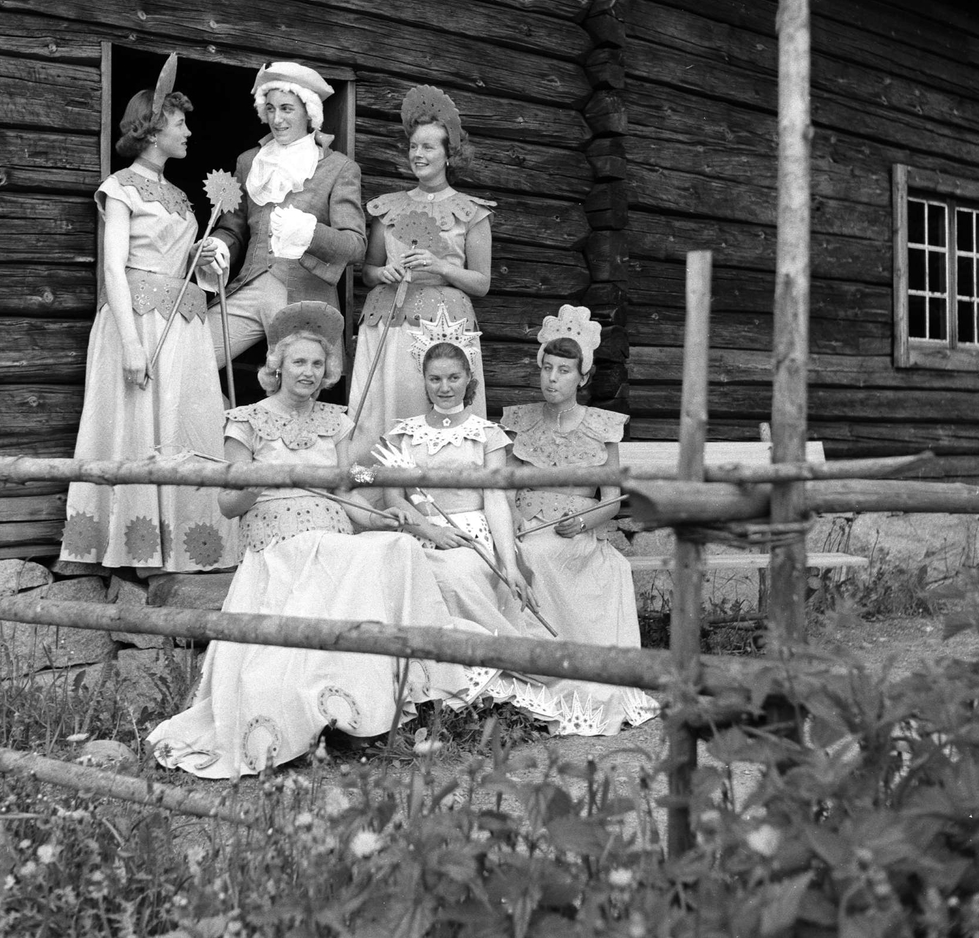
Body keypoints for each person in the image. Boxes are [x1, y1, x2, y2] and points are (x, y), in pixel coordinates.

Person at [147, 302, 473, 779]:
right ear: (277, 367)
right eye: (298, 362)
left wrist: (395, 520)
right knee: (350, 555)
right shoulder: (246, 421)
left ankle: (396, 700)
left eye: (317, 364)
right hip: (279, 546)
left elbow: (345, 494)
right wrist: (250, 485)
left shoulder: (335, 422)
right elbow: (227, 506)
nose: (309, 372)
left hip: (332, 538)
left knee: (398, 549)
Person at [377, 324, 630, 735]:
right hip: (421, 534)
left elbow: (497, 498)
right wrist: (430, 530)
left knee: (459, 573)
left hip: (472, 534)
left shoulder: (486, 434)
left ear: (469, 380)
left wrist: (508, 558)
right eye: (436, 379)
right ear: (423, 381)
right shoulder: (402, 433)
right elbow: (394, 497)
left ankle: (495, 669)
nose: (445, 387)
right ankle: (417, 687)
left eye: (454, 378)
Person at [60, 56, 239, 574]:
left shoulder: (183, 198)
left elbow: (181, 266)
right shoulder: (120, 187)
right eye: (181, 123)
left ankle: (190, 545)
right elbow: (114, 268)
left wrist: (204, 261)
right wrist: (132, 344)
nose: (189, 132)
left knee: (186, 423)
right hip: (137, 321)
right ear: (154, 128)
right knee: (139, 427)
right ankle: (136, 549)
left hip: (184, 325)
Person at [501, 305, 658, 733]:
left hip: (576, 531)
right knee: (531, 554)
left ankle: (586, 675)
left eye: (564, 371)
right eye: (547, 368)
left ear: (582, 378)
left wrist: (587, 522)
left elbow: (611, 500)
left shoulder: (602, 428)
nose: (552, 378)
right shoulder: (520, 422)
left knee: (587, 562)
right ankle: (542, 676)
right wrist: (512, 518)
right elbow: (506, 486)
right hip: (526, 527)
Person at [349, 85, 493, 465]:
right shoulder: (387, 209)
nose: (419, 154)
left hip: (443, 329)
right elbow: (367, 271)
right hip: (387, 322)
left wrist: (441, 266)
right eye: (414, 146)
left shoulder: (472, 212)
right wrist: (384, 271)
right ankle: (369, 492)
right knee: (379, 412)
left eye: (429, 147)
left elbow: (482, 282)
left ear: (449, 155)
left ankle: (445, 497)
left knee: (427, 408)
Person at [206, 62, 365, 371]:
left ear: (309, 112)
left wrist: (311, 231)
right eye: (270, 109)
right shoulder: (249, 161)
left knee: (298, 385)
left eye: (287, 108)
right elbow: (233, 228)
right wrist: (218, 246)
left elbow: (355, 245)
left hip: (306, 297)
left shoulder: (339, 168)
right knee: (190, 357)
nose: (276, 119)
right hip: (250, 287)